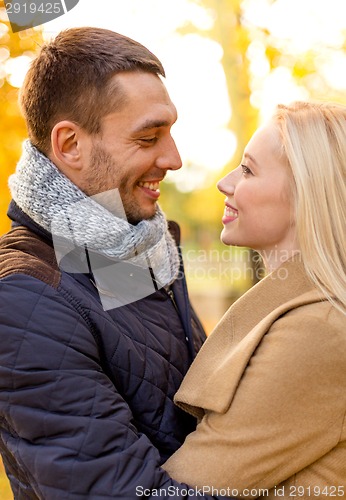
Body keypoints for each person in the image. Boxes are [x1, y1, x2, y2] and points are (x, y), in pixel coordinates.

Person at [0, 27, 223, 499]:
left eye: (170, 132)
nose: (174, 158)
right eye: (148, 138)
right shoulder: (24, 300)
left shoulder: (138, 243)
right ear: (70, 146)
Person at [163, 101, 346, 498]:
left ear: (307, 194)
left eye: (247, 169)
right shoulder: (304, 310)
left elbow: (183, 488)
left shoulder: (318, 330)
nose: (224, 183)